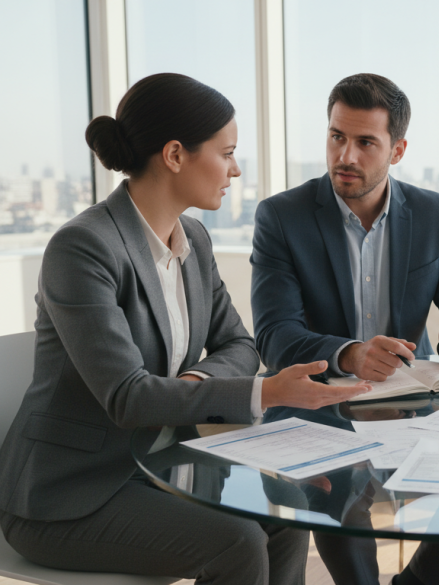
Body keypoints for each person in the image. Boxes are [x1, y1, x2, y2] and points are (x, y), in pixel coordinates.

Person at [0, 73, 371, 585]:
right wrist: (262, 391)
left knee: (286, 511)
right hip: (69, 494)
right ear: (175, 155)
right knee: (236, 542)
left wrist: (192, 386)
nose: (236, 169)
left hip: (160, 466)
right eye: (227, 152)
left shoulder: (192, 238)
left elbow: (239, 343)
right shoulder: (83, 249)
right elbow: (129, 399)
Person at [250, 73, 439, 585]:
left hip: (412, 404)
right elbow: (275, 337)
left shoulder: (432, 213)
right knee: (336, 487)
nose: (347, 155)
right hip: (318, 407)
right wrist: (350, 354)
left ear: (397, 149)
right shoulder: (282, 217)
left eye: (366, 143)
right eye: (337, 136)